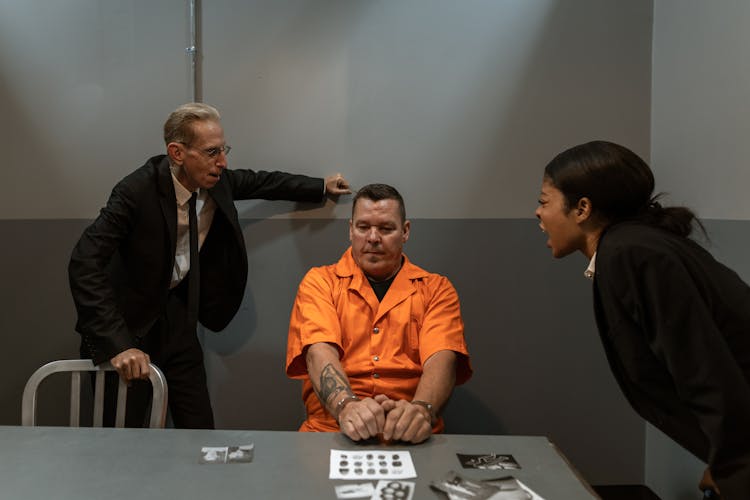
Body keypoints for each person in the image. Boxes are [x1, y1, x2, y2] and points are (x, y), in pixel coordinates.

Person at [68, 102, 351, 429]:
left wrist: (320, 187)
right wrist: (118, 344)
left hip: (179, 324)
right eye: (212, 152)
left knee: (199, 431)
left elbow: (261, 182)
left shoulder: (217, 181)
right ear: (177, 153)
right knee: (122, 439)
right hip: (128, 327)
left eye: (224, 149)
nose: (223, 162)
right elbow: (84, 261)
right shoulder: (136, 190)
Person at [535, 140, 750, 499]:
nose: (537, 214)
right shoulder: (631, 247)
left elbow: (703, 368)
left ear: (582, 208)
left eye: (544, 201)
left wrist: (734, 471)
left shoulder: (630, 254)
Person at [286, 183, 472, 444]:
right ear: (350, 230)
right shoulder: (320, 282)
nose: (373, 238)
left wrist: (421, 411)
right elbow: (319, 352)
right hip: (330, 430)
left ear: (405, 231)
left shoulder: (436, 289)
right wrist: (347, 406)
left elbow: (442, 359)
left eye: (386, 228)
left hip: (410, 431)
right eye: (363, 227)